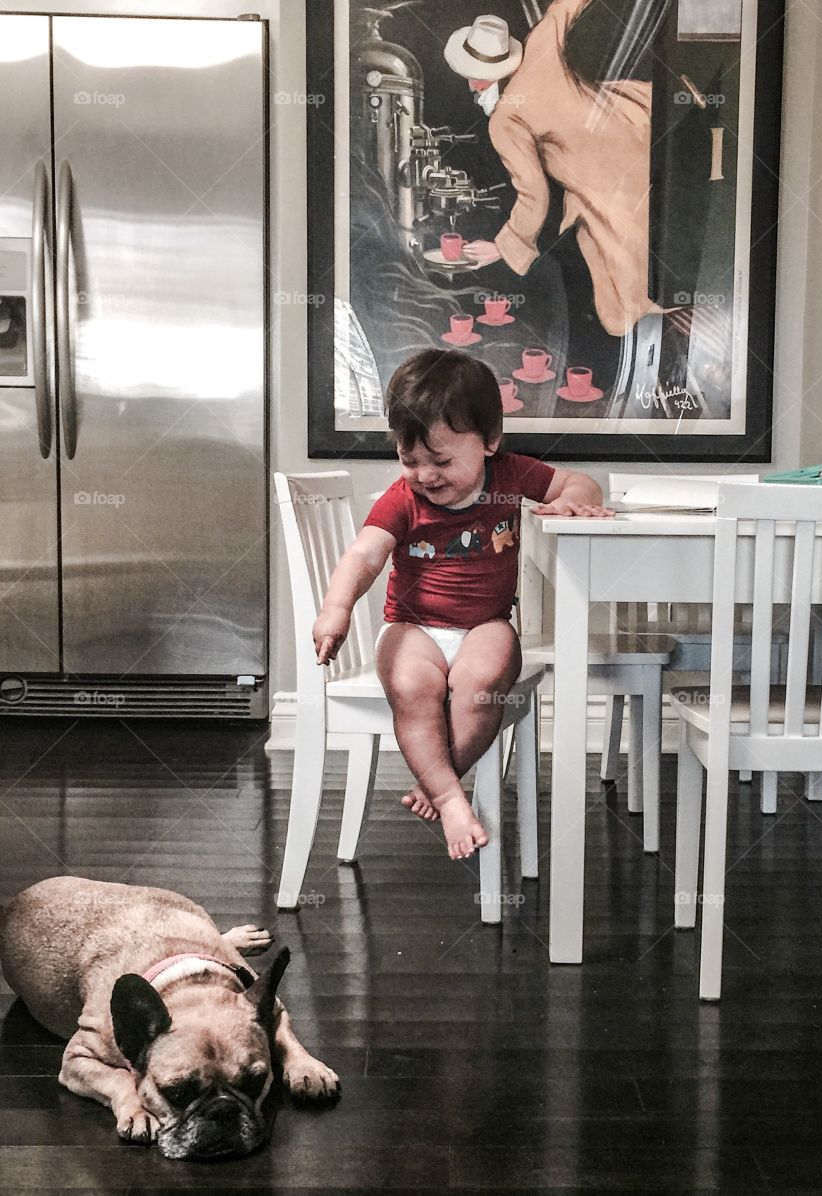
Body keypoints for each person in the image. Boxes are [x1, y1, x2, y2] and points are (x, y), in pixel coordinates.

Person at [311, 349, 611, 860]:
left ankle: (434, 783)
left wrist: (570, 499)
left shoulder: (514, 475)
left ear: (490, 442)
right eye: (410, 461)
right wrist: (336, 607)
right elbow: (364, 555)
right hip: (413, 627)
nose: (425, 475)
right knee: (411, 685)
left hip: (484, 624)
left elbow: (578, 481)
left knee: (484, 681)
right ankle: (450, 797)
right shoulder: (402, 500)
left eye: (442, 460)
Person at [444, 7, 658, 339]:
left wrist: (505, 246)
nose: (472, 85)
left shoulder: (505, 121)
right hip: (635, 126)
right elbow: (563, 8)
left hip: (606, 184)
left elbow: (534, 196)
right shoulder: (541, 43)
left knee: (623, 288)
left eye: (475, 76)